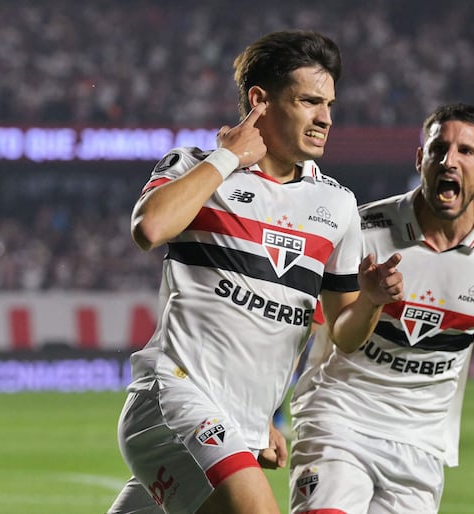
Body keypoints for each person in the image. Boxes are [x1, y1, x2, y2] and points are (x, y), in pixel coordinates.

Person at [107, 30, 404, 514]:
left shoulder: (337, 205)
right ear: (260, 101)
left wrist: (371, 300)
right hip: (172, 398)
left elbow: (345, 334)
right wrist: (228, 158)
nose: (325, 117)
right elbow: (150, 227)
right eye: (309, 101)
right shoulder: (197, 167)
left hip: (239, 427)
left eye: (329, 104)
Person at [289, 103, 474, 513]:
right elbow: (310, 326)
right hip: (339, 418)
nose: (450, 161)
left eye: (466, 152)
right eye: (439, 149)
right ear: (420, 159)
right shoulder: (361, 230)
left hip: (421, 444)